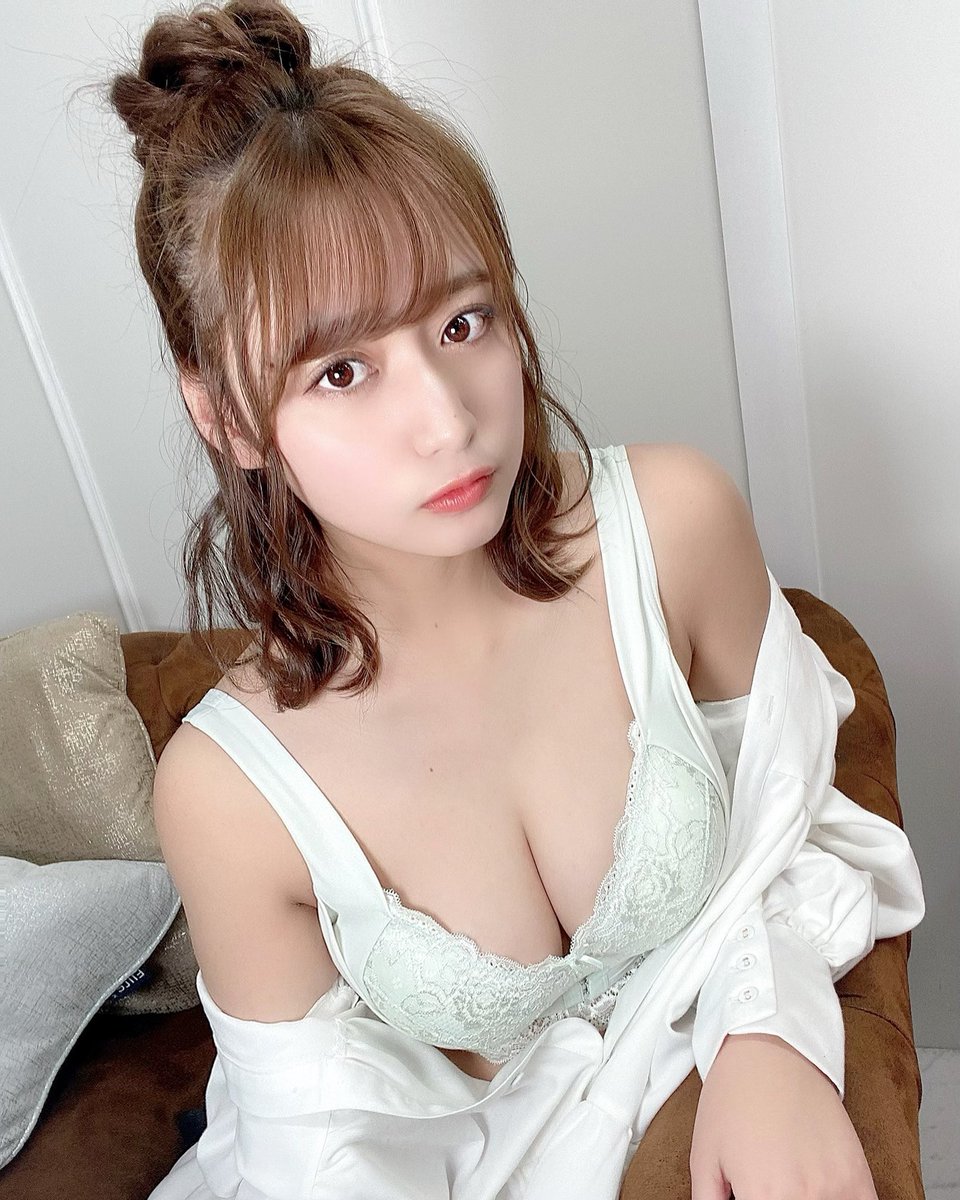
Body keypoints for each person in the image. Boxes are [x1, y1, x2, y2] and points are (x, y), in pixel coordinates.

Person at [108, 3, 925, 1198]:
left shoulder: (676, 529)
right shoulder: (227, 794)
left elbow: (803, 817)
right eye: (343, 370)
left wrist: (766, 1027)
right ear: (226, 414)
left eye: (463, 320)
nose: (447, 418)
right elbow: (319, 1163)